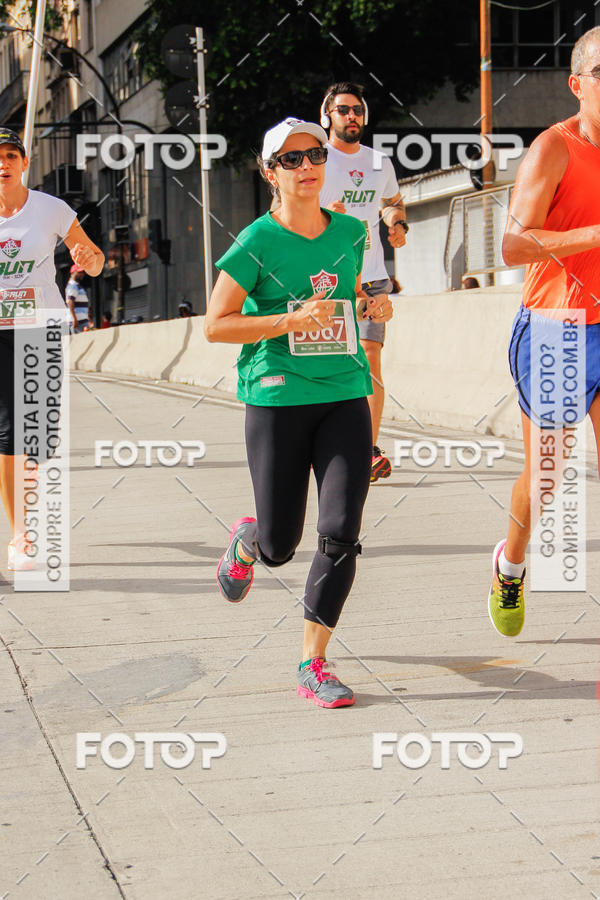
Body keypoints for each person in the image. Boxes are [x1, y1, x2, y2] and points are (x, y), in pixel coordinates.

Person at [205, 117, 393, 707]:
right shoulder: (255, 242)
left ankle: (313, 662)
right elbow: (216, 325)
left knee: (340, 532)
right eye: (291, 160)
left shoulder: (351, 231)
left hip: (343, 395)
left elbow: (352, 289)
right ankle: (251, 537)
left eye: (314, 155)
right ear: (270, 173)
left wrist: (373, 303)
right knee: (282, 546)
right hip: (278, 400)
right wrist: (288, 320)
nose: (307, 166)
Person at [487, 26, 600, 637]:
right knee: (550, 477)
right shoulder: (553, 149)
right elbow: (511, 245)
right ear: (577, 84)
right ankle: (512, 563)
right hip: (556, 329)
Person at [0, 128, 104, 569]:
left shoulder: (50, 209)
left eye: (10, 155)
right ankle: (20, 534)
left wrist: (90, 259)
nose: (2, 163)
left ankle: (30, 500)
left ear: (24, 163)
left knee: (40, 434)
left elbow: (95, 259)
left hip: (41, 327)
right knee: (9, 432)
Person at [318, 82, 408, 483]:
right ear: (328, 116)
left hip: (371, 277)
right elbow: (283, 209)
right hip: (327, 280)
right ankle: (324, 445)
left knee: (371, 358)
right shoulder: (315, 160)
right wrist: (325, 213)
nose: (351, 116)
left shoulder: (377, 162)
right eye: (342, 110)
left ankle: (367, 450)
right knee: (332, 364)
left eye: (357, 110)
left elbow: (391, 201)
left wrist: (396, 223)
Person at [65, 264, 89, 332]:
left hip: (81, 321)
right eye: (79, 272)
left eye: (82, 272)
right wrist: (74, 319)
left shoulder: (75, 285)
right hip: (79, 322)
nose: (82, 274)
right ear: (72, 273)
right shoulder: (73, 286)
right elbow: (70, 302)